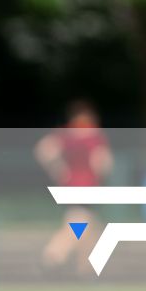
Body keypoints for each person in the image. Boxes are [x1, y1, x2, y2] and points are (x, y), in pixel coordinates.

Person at [36, 100, 113, 270]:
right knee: (78, 224)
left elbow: (45, 149)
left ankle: (85, 269)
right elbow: (102, 161)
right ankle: (54, 254)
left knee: (89, 227)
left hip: (71, 187)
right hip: (85, 188)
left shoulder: (65, 135)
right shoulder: (93, 137)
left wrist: (58, 169)